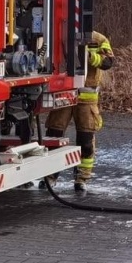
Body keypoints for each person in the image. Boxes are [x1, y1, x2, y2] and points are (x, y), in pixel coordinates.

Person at [47, 31, 114, 188]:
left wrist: (89, 57)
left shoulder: (98, 39)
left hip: (86, 99)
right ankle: (50, 176)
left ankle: (82, 178)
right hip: (62, 94)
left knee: (86, 140)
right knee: (54, 136)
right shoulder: (59, 34)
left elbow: (108, 62)